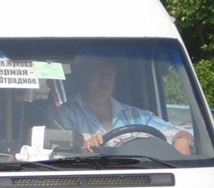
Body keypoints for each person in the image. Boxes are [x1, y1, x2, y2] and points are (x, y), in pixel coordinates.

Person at [57, 58, 193, 154]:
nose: (105, 79)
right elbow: (60, 151)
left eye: (110, 73)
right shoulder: (64, 113)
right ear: (84, 75)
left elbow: (181, 133)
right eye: (99, 73)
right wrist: (85, 147)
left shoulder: (137, 116)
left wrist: (182, 143)